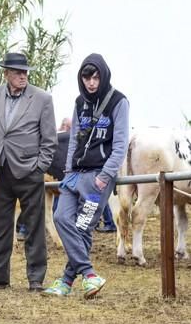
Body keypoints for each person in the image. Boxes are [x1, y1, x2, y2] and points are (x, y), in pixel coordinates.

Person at [43, 53, 129, 298]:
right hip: (74, 176)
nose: (91, 82)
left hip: (98, 177)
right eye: (86, 77)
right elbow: (73, 141)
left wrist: (105, 176)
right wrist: (68, 171)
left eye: (95, 77)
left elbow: (120, 145)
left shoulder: (118, 102)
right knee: (60, 218)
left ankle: (67, 281)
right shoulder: (80, 102)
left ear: (103, 76)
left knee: (82, 226)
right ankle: (89, 275)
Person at [0, 52, 57, 292]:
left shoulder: (42, 99)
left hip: (29, 171)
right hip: (0, 171)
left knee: (34, 226)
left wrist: (39, 166)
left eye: (25, 72)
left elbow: (49, 139)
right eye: (18, 72)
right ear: (6, 73)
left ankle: (36, 278)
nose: (23, 76)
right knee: (1, 227)